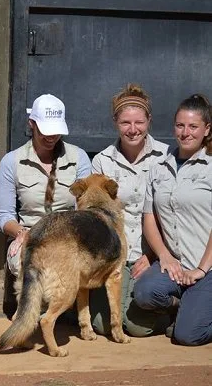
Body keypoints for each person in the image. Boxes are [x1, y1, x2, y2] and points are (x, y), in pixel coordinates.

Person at [0, 94, 91, 316]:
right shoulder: (12, 161)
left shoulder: (79, 157)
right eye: (45, 130)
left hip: (69, 236)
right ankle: (30, 309)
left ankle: (56, 310)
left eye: (56, 131)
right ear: (31, 124)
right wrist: (21, 233)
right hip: (29, 232)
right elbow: (4, 217)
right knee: (26, 259)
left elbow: (86, 211)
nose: (51, 137)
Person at [90, 84, 171, 337]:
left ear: (149, 121)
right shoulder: (102, 161)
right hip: (116, 254)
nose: (133, 129)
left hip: (153, 253)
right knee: (102, 326)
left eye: (139, 122)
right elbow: (97, 217)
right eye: (126, 122)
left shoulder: (166, 157)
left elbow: (171, 214)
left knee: (136, 328)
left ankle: (174, 309)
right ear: (115, 122)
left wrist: (153, 254)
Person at [133, 94, 212, 346]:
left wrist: (201, 269)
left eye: (193, 126)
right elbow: (149, 217)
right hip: (177, 264)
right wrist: (164, 255)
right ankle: (186, 306)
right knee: (144, 293)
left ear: (207, 129)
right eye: (180, 125)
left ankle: (195, 312)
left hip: (207, 265)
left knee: (188, 336)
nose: (185, 132)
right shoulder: (159, 168)